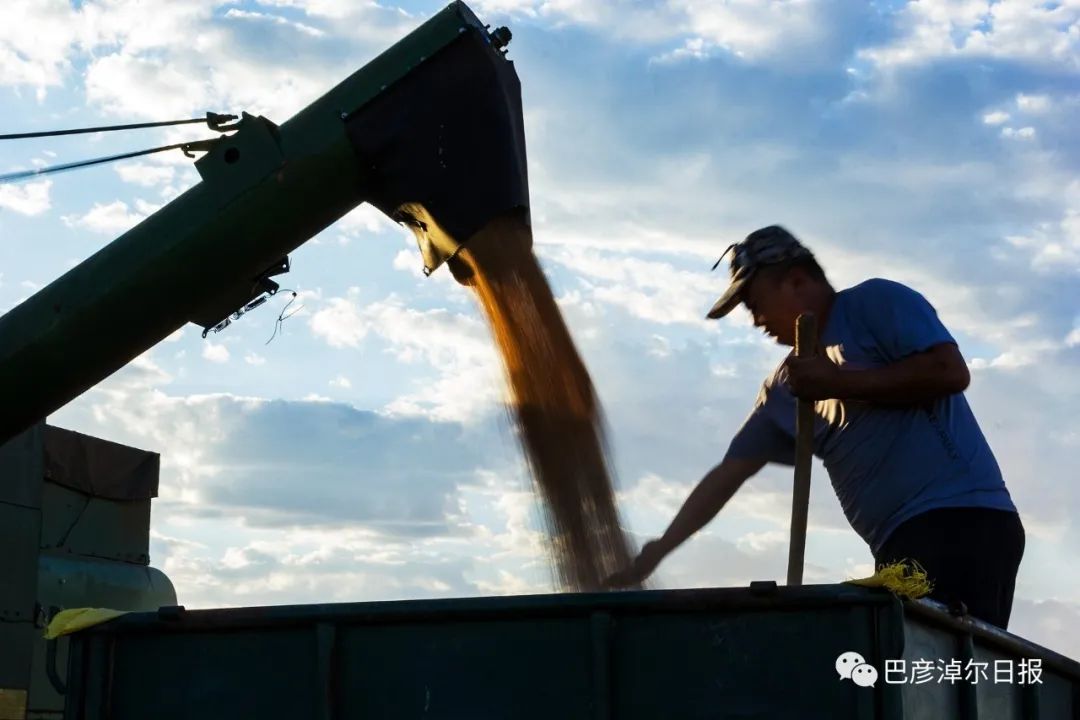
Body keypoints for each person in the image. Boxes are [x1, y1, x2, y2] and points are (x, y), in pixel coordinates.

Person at [606, 225, 1025, 629]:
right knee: (906, 675)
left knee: (935, 666)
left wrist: (837, 383)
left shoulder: (875, 304)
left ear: (796, 281)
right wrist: (655, 553)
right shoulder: (786, 388)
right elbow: (728, 474)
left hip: (963, 521)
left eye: (755, 303)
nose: (755, 321)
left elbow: (948, 372)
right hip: (897, 544)